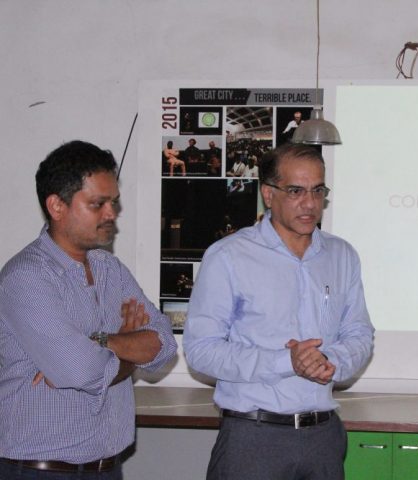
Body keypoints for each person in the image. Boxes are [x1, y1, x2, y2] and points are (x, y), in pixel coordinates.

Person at [183, 143, 374, 480]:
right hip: (254, 436)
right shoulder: (229, 257)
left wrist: (331, 363)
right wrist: (287, 362)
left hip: (322, 437)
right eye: (296, 191)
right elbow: (201, 351)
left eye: (318, 190)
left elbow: (359, 333)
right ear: (268, 194)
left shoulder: (342, 255)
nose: (310, 203)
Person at [0, 140, 177, 479]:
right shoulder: (26, 278)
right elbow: (81, 371)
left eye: (113, 202)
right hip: (39, 471)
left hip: (107, 468)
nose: (111, 214)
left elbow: (164, 345)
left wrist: (98, 341)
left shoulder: (111, 269)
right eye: (98, 204)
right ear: (56, 206)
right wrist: (128, 347)